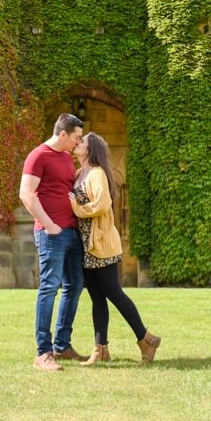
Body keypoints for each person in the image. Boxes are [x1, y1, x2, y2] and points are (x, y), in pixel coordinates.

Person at [71, 132, 160, 365]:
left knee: (114, 293)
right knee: (97, 297)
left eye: (82, 142)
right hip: (87, 245)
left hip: (103, 244)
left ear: (90, 150)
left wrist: (74, 205)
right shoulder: (80, 174)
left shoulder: (98, 174)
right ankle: (101, 350)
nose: (77, 144)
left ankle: (146, 339)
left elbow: (100, 206)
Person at [19, 112, 87, 371]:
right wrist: (48, 224)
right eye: (76, 138)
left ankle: (62, 345)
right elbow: (26, 193)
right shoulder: (38, 155)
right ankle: (43, 353)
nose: (78, 143)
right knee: (49, 287)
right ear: (62, 134)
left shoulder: (67, 159)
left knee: (75, 285)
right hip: (50, 234)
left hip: (71, 232)